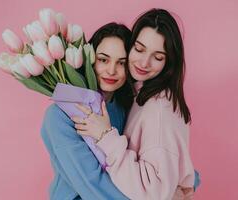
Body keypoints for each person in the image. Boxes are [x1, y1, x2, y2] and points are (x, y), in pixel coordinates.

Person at [72, 8, 197, 199]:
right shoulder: (137, 95)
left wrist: (106, 136)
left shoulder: (159, 110)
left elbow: (154, 193)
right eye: (139, 49)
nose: (144, 62)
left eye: (158, 57)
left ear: (169, 62)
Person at [41, 22, 133, 200]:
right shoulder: (59, 116)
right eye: (103, 60)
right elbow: (90, 183)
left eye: (121, 62)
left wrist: (182, 181)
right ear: (89, 59)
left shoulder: (125, 108)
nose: (111, 70)